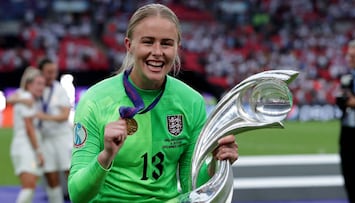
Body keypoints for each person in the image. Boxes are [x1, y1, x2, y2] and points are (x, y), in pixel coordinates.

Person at [68, 3, 238, 203]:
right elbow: (77, 195)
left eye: (166, 43)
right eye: (148, 42)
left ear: (177, 48)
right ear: (129, 45)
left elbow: (191, 186)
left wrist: (216, 165)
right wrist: (106, 156)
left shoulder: (191, 102)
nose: (157, 52)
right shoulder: (95, 100)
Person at [36, 58, 73, 203]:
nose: (52, 75)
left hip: (62, 138)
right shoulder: (36, 89)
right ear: (40, 72)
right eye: (48, 72)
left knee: (69, 171)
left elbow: (64, 115)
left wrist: (41, 116)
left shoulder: (59, 89)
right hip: (45, 138)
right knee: (50, 174)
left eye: (54, 72)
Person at [9, 67, 45, 203]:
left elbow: (11, 99)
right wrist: (38, 151)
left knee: (30, 186)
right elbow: (29, 127)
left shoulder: (23, 96)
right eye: (38, 84)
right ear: (29, 84)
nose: (42, 87)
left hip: (23, 146)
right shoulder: (26, 97)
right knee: (29, 186)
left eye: (43, 84)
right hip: (25, 146)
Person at [336, 39, 355, 203]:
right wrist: (342, 100)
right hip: (348, 134)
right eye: (348, 55)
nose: (349, 59)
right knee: (349, 174)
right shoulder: (347, 77)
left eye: (353, 56)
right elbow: (342, 103)